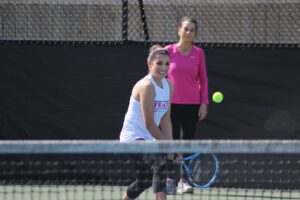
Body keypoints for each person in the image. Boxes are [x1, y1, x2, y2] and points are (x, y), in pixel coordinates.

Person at [120, 45, 174, 200]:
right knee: (160, 164)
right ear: (149, 63)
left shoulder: (170, 85)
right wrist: (165, 144)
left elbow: (165, 119)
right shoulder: (146, 85)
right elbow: (149, 123)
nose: (163, 68)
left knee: (143, 181)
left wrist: (170, 144)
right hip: (132, 138)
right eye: (159, 63)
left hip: (148, 138)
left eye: (167, 64)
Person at [165, 16, 209, 194]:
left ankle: (184, 180)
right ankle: (169, 179)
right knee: (171, 141)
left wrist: (203, 103)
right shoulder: (168, 51)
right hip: (171, 105)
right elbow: (160, 75)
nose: (188, 32)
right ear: (179, 30)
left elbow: (203, 80)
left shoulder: (199, 53)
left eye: (192, 29)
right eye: (186, 28)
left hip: (192, 104)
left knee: (187, 141)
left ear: (195, 33)